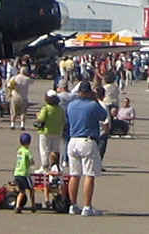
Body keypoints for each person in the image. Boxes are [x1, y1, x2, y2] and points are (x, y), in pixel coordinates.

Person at [66, 81, 107, 216]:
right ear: (89, 92)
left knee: (74, 175)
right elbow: (104, 115)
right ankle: (87, 206)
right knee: (89, 174)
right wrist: (95, 99)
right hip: (87, 140)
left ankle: (73, 205)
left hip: (73, 140)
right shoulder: (92, 105)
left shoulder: (71, 105)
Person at [34, 90, 65, 173]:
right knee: (55, 150)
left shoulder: (46, 108)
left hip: (45, 132)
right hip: (57, 132)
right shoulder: (60, 109)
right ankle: (55, 166)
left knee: (44, 150)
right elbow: (64, 120)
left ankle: (44, 167)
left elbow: (41, 119)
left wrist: (37, 115)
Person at [13, 132, 36, 214]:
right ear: (29, 142)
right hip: (24, 174)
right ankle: (33, 205)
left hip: (17, 173)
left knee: (21, 191)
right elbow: (31, 161)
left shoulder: (19, 150)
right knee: (31, 189)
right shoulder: (27, 151)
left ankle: (18, 206)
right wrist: (32, 164)